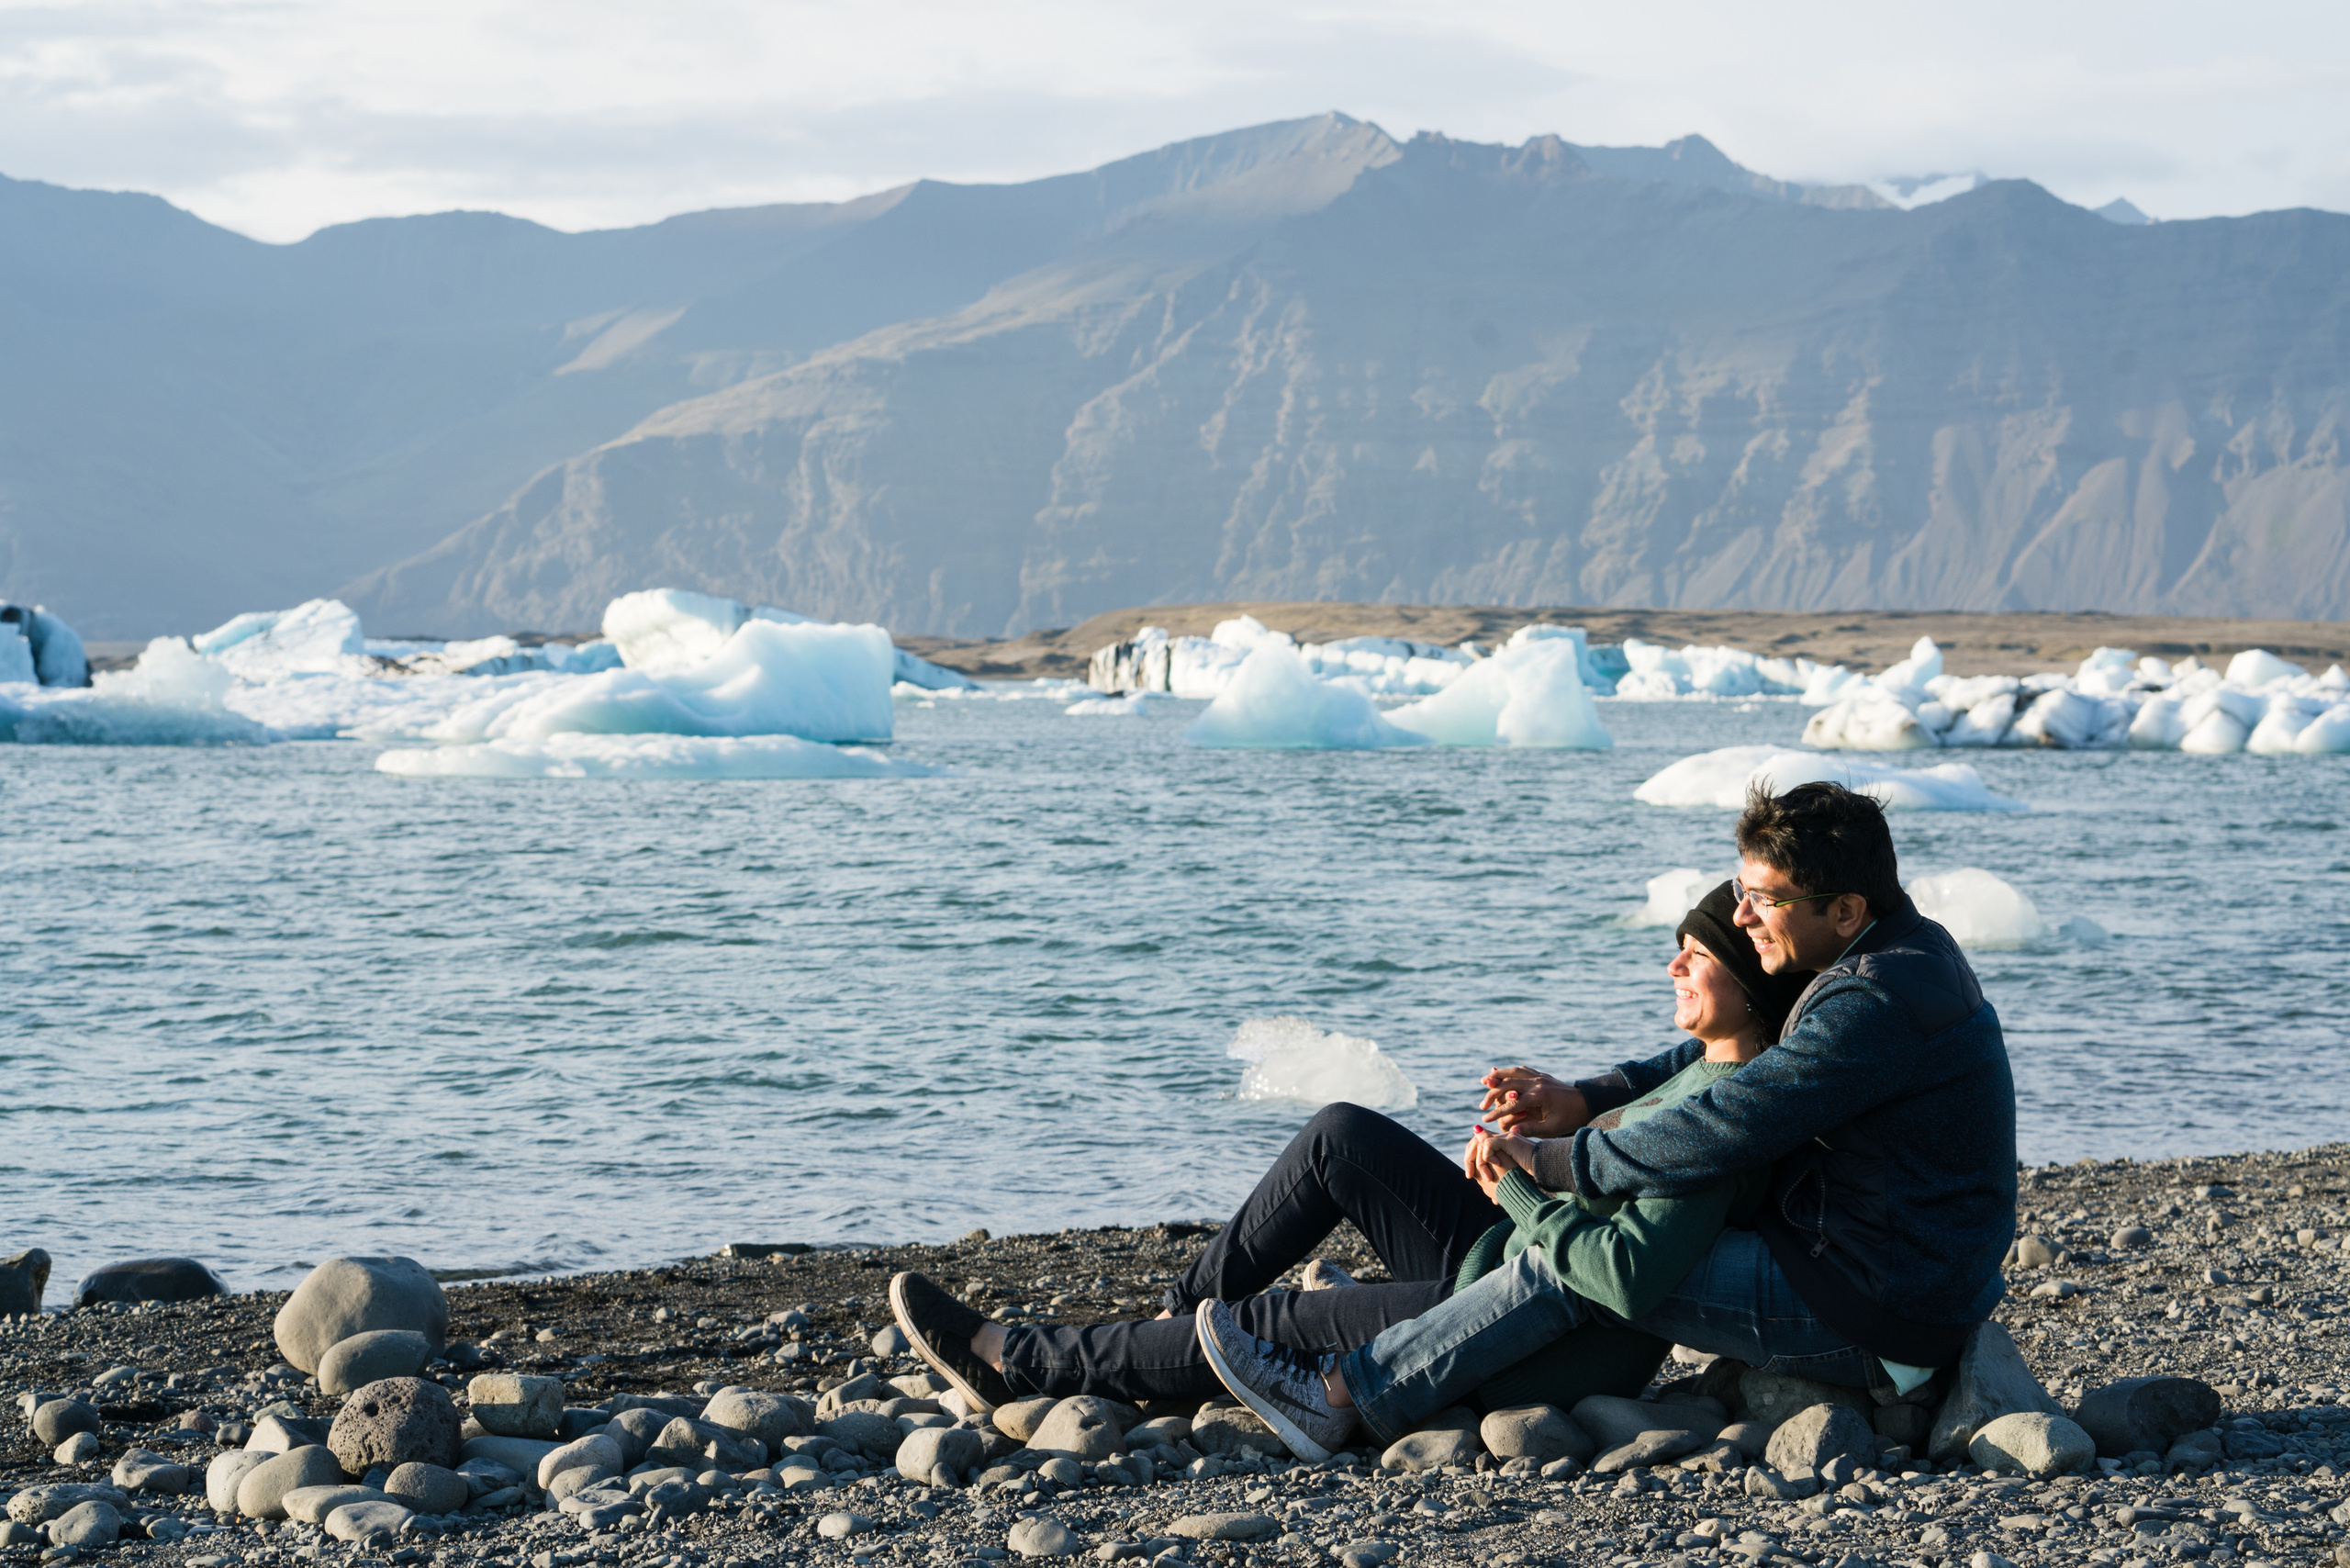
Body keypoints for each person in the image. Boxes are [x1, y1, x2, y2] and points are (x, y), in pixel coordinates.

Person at [1193, 781, 2017, 1457]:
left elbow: (1723, 1121)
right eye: (1742, 890)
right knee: (1602, 1221)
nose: (1740, 918)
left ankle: (1343, 1396)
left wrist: (1551, 1164)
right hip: (1881, 1268)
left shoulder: (1872, 1000)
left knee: (1588, 1259)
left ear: (1843, 908)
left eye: (1763, 899)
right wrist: (1587, 1101)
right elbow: (1727, 1070)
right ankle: (1415, 1332)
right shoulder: (1890, 953)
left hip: (1877, 1306)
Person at [888, 880, 1810, 1417]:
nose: (1670, 968)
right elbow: (1637, 1097)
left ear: (1748, 977)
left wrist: (1525, 1189)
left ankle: (1017, 1359)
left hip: (1527, 1322)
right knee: (1342, 1135)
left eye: (1693, 956)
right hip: (1505, 1261)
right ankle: (1166, 1334)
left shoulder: (1732, 1106)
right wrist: (1558, 1116)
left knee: (1280, 1324)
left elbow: (1625, 1274)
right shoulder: (1704, 1059)